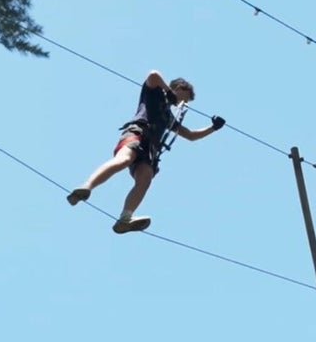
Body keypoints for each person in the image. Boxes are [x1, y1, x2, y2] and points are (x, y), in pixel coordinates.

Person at [67, 70, 226, 233]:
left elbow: (191, 135)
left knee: (145, 178)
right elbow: (153, 75)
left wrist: (213, 128)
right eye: (182, 97)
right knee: (124, 160)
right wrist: (168, 91)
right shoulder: (154, 92)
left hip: (150, 149)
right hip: (137, 135)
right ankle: (86, 187)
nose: (181, 102)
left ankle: (125, 218)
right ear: (177, 88)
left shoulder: (168, 117)